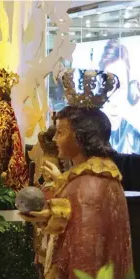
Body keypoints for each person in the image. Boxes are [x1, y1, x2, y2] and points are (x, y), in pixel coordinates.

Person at [20, 105, 133, 278]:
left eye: (61, 132)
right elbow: (75, 219)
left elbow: (86, 253)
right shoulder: (92, 176)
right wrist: (49, 216)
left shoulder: (90, 185)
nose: (55, 139)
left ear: (81, 137)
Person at [99, 38, 140, 154]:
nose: (114, 96)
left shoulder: (135, 135)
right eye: (109, 86)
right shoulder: (93, 132)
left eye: (120, 86)